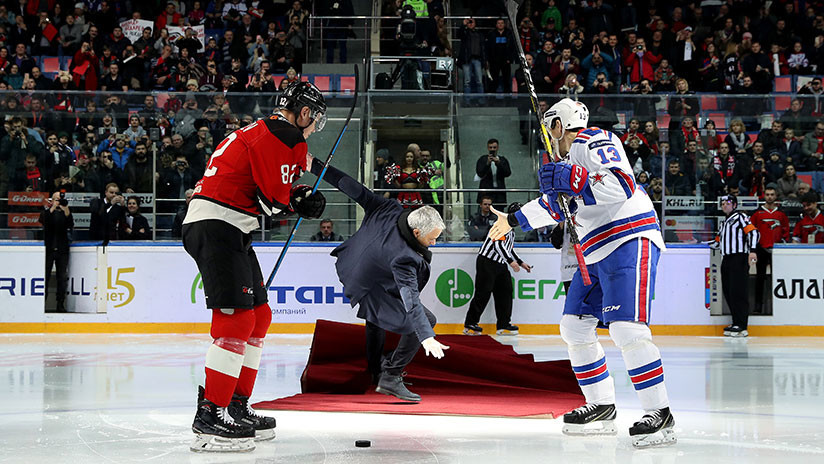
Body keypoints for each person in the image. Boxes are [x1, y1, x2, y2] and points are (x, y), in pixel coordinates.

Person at [488, 99, 675, 448]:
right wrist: (512, 220)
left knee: (626, 328)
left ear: (560, 125)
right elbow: (554, 207)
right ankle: (602, 405)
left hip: (629, 238)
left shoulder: (593, 141)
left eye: (549, 127)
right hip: (594, 250)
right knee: (573, 326)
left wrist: (576, 178)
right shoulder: (565, 162)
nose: (546, 136)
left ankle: (659, 411)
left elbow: (621, 186)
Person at [181, 81, 328, 452]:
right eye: (316, 120)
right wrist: (300, 202)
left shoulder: (266, 131)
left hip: (228, 225)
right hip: (218, 225)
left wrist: (296, 197)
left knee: (258, 316)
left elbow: (267, 191)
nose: (313, 128)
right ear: (305, 113)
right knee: (236, 320)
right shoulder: (284, 136)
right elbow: (272, 205)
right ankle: (210, 414)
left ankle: (235, 404)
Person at [309, 156, 449, 402]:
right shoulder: (404, 257)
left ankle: (375, 372)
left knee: (375, 321)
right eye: (432, 238)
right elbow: (411, 301)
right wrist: (427, 335)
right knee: (427, 319)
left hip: (358, 266)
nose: (434, 243)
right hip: (371, 282)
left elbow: (351, 187)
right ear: (416, 232)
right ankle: (391, 376)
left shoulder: (388, 208)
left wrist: (316, 166)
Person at [463, 202, 532, 336]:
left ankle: (504, 323)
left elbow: (508, 248)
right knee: (483, 293)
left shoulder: (510, 228)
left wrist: (520, 262)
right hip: (487, 262)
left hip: (500, 264)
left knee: (505, 292)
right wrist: (511, 262)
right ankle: (470, 323)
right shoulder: (501, 225)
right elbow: (498, 246)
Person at [710, 194, 759, 337]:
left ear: (735, 205)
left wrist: (753, 251)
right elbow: (718, 242)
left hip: (739, 257)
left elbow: (753, 232)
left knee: (739, 291)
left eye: (728, 202)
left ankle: (742, 325)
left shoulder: (740, 217)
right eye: (723, 203)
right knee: (729, 291)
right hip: (727, 258)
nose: (725, 205)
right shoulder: (724, 223)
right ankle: (736, 321)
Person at [750, 187, 789, 313]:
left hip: (777, 250)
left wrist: (783, 244)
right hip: (761, 249)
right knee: (759, 278)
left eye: (772, 194)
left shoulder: (781, 214)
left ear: (776, 196)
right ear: (764, 196)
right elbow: (751, 232)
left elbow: (786, 231)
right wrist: (754, 248)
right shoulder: (757, 213)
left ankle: (780, 304)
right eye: (767, 194)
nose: (770, 197)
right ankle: (758, 305)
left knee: (778, 278)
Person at [40, 191, 73, 312]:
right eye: (56, 199)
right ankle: (42, 302)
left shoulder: (65, 212)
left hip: (62, 250)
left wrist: (66, 209)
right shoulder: (47, 212)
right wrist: (53, 207)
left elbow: (70, 224)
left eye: (60, 199)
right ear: (52, 200)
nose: (58, 202)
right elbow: (44, 221)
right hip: (49, 249)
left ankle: (60, 304)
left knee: (62, 278)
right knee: (45, 276)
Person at [475, 138, 511, 207]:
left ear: (497, 148)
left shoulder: (502, 160)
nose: (492, 149)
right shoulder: (482, 160)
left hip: (499, 194)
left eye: (494, 147)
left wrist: (498, 163)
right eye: (490, 147)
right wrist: (487, 164)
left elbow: (508, 173)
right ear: (487, 148)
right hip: (486, 193)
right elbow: (480, 173)